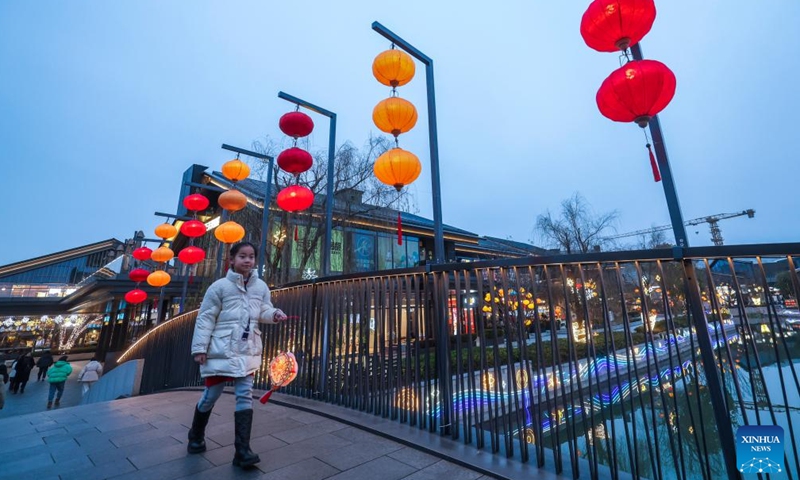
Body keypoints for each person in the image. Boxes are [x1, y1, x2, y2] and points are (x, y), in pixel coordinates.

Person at [188, 241, 287, 469]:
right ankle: (195, 435)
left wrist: (274, 314)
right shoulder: (219, 287)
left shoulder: (260, 286)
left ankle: (242, 451)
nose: (248, 260)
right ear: (232, 259)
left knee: (245, 395)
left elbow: (262, 309)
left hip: (247, 348)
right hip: (221, 350)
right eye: (242, 256)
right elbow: (205, 319)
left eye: (251, 256)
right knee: (210, 396)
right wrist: (200, 349)